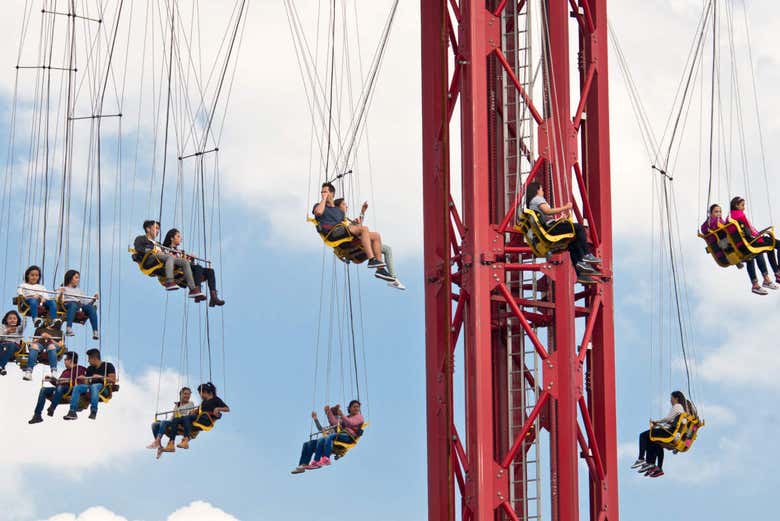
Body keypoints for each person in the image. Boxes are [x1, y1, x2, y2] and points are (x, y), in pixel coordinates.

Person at [525, 183, 601, 284]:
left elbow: (544, 216)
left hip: (548, 228)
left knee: (572, 243)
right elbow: (547, 211)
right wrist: (565, 207)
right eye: (542, 189)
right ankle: (586, 255)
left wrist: (559, 220)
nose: (543, 191)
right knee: (579, 228)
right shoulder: (537, 199)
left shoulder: (531, 203)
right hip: (550, 230)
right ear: (537, 190)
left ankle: (581, 273)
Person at [701, 203, 777, 295]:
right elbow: (709, 229)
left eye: (720, 212)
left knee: (754, 254)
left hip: (732, 248)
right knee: (753, 252)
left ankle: (758, 283)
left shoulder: (721, 223)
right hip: (725, 252)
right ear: (710, 213)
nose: (719, 214)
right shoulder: (710, 225)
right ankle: (763, 281)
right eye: (716, 212)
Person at [313, 183, 388, 274]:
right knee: (364, 229)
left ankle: (380, 269)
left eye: (325, 192)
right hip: (332, 233)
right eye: (322, 192)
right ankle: (371, 259)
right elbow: (319, 212)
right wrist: (324, 198)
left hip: (341, 232)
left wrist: (362, 212)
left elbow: (356, 229)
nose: (322, 194)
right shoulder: (319, 205)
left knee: (376, 236)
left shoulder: (339, 211)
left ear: (332, 194)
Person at [132, 220, 205, 301]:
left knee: (184, 262)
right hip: (150, 259)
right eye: (156, 228)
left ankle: (193, 289)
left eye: (158, 229)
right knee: (169, 257)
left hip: (162, 258)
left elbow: (166, 252)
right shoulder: (141, 239)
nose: (158, 231)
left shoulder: (158, 243)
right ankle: (170, 282)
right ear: (148, 229)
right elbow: (139, 248)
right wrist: (153, 249)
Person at [157, 382, 229, 459]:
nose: (200, 396)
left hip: (206, 420)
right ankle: (171, 444)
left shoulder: (216, 399)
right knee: (176, 419)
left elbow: (227, 409)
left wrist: (218, 408)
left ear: (205, 392)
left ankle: (186, 440)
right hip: (199, 418)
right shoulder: (204, 402)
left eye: (200, 393)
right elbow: (199, 410)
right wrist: (194, 411)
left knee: (186, 418)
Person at [334, 198, 397, 284]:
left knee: (386, 249)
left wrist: (362, 212)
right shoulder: (337, 220)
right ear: (337, 208)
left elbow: (358, 230)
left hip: (358, 247)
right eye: (344, 204)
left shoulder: (345, 220)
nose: (347, 206)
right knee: (375, 236)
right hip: (354, 249)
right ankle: (381, 270)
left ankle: (390, 276)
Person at [631, 390, 691, 478]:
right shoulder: (682, 409)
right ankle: (654, 465)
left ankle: (641, 458)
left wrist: (657, 422)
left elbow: (668, 418)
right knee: (654, 442)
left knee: (643, 436)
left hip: (668, 432)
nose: (670, 401)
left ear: (676, 398)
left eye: (671, 398)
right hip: (671, 431)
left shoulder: (677, 406)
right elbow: (672, 421)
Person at [161, 228, 225, 307]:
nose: (181, 239)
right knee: (198, 267)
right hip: (177, 270)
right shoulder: (165, 249)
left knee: (210, 271)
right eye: (178, 236)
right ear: (171, 238)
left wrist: (190, 259)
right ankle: (196, 290)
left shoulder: (181, 252)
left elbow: (185, 262)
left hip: (185, 268)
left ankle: (213, 297)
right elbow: (168, 260)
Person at [729, 196, 780, 283]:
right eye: (742, 205)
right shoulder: (739, 215)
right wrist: (758, 237)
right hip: (752, 241)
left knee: (770, 247)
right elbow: (749, 232)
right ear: (736, 205)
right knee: (776, 244)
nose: (744, 208)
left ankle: (777, 273)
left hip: (749, 240)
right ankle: (777, 271)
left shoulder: (731, 216)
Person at [304, 400, 365, 471]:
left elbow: (351, 423)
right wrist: (328, 413)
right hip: (338, 436)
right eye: (354, 407)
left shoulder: (359, 417)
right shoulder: (346, 418)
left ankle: (326, 459)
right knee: (321, 439)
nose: (356, 408)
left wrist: (341, 415)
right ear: (350, 408)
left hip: (349, 436)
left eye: (358, 407)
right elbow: (335, 423)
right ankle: (315, 462)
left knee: (329, 437)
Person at [28, 351, 86, 424]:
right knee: (43, 390)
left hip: (71, 389)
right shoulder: (65, 371)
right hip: (61, 389)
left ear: (70, 360)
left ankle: (52, 408)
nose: (64, 361)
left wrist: (67, 382)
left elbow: (81, 382)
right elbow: (58, 384)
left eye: (65, 360)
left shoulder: (80, 369)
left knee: (60, 387)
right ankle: (37, 415)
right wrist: (52, 380)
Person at [63, 348, 116, 420]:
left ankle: (93, 410)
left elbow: (113, 380)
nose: (88, 361)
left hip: (104, 388)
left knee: (94, 386)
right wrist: (84, 378)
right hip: (91, 387)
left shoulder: (108, 366)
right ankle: (72, 411)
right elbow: (87, 383)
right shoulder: (90, 369)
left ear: (94, 358)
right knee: (77, 387)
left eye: (89, 359)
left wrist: (100, 377)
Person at [147, 387, 199, 458]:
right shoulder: (177, 405)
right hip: (174, 422)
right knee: (155, 424)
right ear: (181, 394)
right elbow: (173, 417)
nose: (187, 396)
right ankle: (159, 446)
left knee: (164, 422)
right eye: (185, 394)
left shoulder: (190, 404)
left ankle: (157, 440)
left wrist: (179, 407)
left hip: (181, 423)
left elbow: (187, 414)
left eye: (189, 394)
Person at [291, 409, 338, 474]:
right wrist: (315, 419)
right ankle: (303, 464)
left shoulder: (339, 426)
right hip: (321, 444)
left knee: (321, 440)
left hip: (330, 445)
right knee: (307, 444)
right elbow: (320, 429)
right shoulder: (329, 428)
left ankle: (317, 461)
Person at [57, 270, 100, 339]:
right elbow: (57, 299)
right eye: (76, 278)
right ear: (70, 278)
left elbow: (86, 302)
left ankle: (95, 331)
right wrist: (61, 293)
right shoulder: (62, 288)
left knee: (91, 308)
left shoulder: (79, 291)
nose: (78, 280)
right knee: (73, 304)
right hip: (68, 304)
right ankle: (68, 328)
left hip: (79, 305)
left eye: (78, 278)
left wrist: (93, 299)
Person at [0, 310, 24, 376]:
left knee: (10, 345)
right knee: (3, 347)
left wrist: (24, 316)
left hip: (14, 345)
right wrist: (6, 331)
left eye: (14, 318)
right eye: (10, 318)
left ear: (17, 320)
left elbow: (23, 325)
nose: (12, 320)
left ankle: (1, 366)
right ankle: (2, 368)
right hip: (2, 344)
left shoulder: (18, 328)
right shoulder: (2, 327)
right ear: (6, 320)